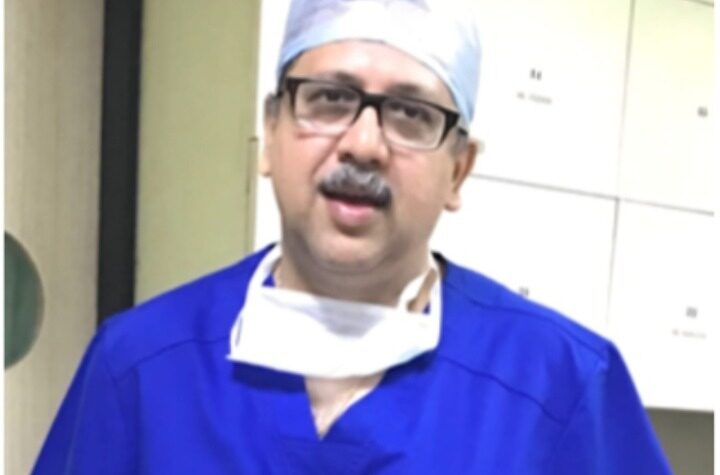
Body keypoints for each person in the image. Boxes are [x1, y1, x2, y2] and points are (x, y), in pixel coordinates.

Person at [34, 0, 672, 473]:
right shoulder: (140, 368)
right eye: (330, 98)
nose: (364, 144)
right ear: (271, 131)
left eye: (411, 114)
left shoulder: (560, 387)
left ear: (458, 170)